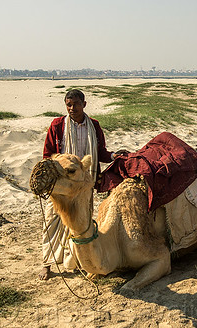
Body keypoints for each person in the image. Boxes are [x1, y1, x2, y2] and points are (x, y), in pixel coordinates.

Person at [39, 89, 122, 280]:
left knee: (79, 222)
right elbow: (47, 154)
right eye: (68, 104)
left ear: (84, 105)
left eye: (75, 104)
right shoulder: (58, 125)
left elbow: (99, 152)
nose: (71, 108)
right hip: (61, 184)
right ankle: (47, 264)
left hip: (84, 185)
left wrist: (112, 156)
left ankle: (75, 261)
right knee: (52, 221)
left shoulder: (94, 126)